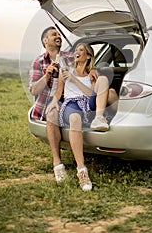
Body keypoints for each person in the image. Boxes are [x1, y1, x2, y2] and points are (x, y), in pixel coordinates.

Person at [29, 27, 118, 187]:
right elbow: (34, 89)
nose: (58, 36)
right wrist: (47, 76)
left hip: (80, 100)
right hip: (56, 101)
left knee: (108, 90)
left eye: (58, 34)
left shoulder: (69, 57)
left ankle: (101, 118)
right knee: (52, 115)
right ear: (45, 41)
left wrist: (94, 69)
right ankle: (58, 164)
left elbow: (85, 61)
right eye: (53, 34)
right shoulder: (39, 62)